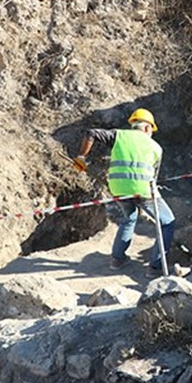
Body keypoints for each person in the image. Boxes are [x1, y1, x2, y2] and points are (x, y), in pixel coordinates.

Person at [73, 108, 177, 272]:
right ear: (148, 128)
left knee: (128, 219)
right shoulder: (156, 148)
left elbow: (90, 133)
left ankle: (117, 260)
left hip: (118, 188)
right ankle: (155, 268)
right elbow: (153, 179)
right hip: (144, 190)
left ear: (133, 125)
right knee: (167, 223)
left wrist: (81, 157)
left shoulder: (118, 136)